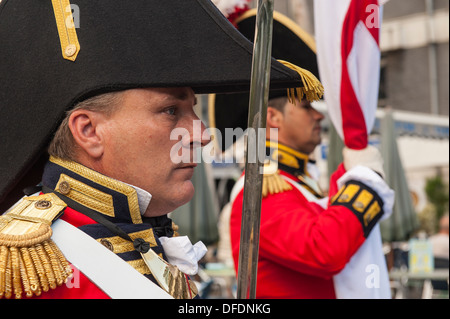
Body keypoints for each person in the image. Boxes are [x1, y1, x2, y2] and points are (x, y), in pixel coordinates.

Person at [0, 0, 304, 299]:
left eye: (192, 111)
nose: (202, 134)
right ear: (89, 132)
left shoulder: (147, 231)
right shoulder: (18, 261)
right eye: (171, 111)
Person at [211, 9, 394, 299]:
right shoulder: (260, 190)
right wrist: (364, 184)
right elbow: (325, 249)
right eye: (306, 107)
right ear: (273, 118)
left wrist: (353, 163)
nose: (318, 117)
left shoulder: (294, 183)